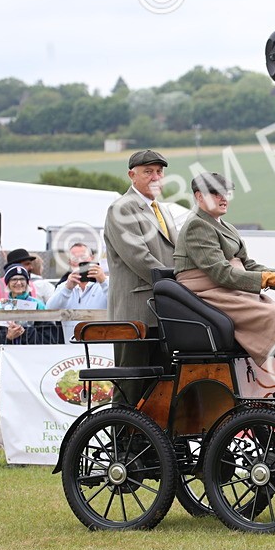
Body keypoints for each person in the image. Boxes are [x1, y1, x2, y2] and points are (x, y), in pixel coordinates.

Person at [174, 173, 275, 396]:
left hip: (230, 290)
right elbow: (220, 272)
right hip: (207, 294)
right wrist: (266, 279)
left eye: (225, 193)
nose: (223, 198)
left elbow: (247, 264)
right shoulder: (197, 226)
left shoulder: (226, 227)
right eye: (215, 193)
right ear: (199, 196)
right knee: (272, 316)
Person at [105, 149, 178, 379]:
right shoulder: (121, 209)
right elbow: (139, 257)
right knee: (131, 383)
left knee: (161, 383)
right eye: (148, 172)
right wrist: (177, 284)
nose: (156, 177)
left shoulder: (163, 210)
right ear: (132, 175)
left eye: (159, 171)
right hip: (135, 314)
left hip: (163, 311)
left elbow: (176, 253)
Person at [0, 266, 62, 364]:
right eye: (14, 279)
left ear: (27, 282)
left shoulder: (38, 306)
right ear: (8, 283)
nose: (19, 283)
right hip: (5, 361)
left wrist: (25, 333)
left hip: (32, 361)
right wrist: (7, 337)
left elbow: (49, 338)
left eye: (22, 279)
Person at [47, 250, 108, 343]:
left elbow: (119, 305)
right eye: (75, 259)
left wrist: (103, 281)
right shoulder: (64, 286)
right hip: (72, 347)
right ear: (70, 263)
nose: (80, 261)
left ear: (92, 259)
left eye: (83, 257)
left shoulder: (106, 282)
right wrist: (67, 288)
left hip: (102, 347)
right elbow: (49, 310)